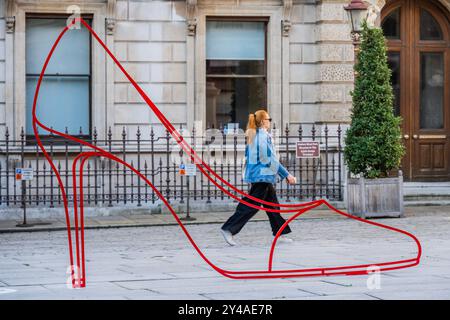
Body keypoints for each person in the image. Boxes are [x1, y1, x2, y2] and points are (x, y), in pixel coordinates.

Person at [220, 110, 297, 246]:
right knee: (251, 205)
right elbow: (269, 159)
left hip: (263, 175)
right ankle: (229, 228)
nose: (270, 122)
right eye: (269, 119)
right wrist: (287, 174)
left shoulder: (259, 135)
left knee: (272, 205)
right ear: (262, 121)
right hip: (262, 176)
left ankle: (280, 233)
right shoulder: (261, 136)